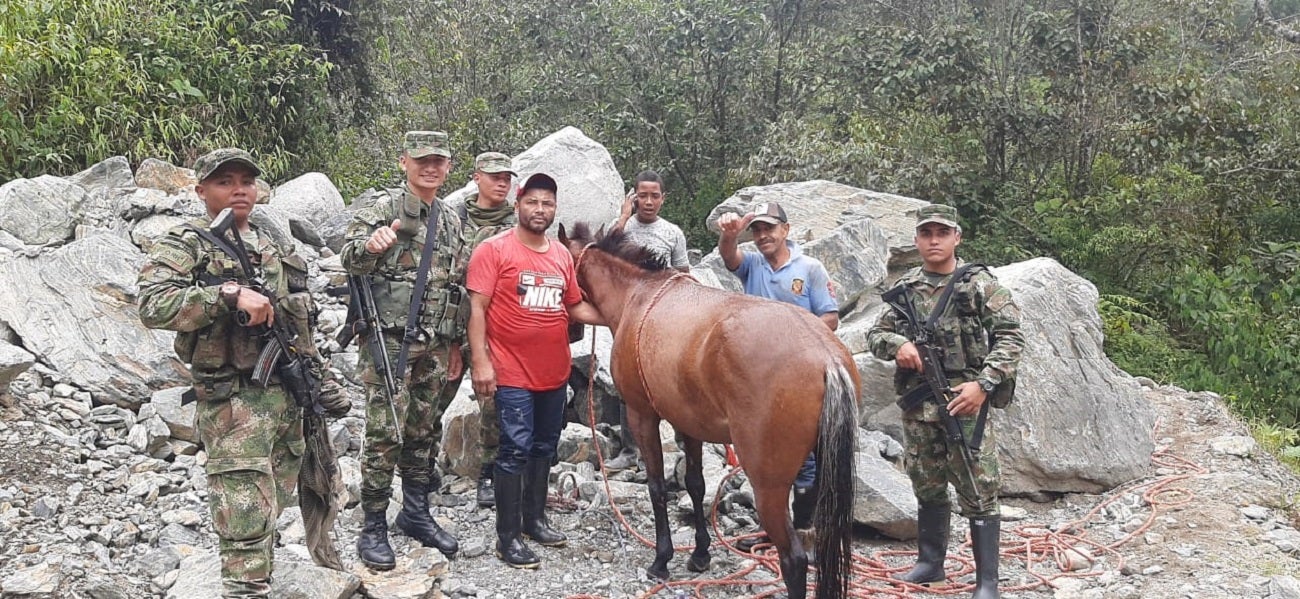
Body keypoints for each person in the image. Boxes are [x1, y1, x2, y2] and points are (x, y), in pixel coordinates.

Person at [138, 149, 346, 596]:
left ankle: (262, 580)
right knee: (243, 516)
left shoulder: (272, 244)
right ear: (201, 191)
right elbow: (153, 305)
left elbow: (297, 321)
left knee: (274, 504)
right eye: (224, 182)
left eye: (246, 182)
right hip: (234, 403)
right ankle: (245, 589)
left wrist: (320, 377)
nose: (238, 190)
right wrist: (228, 295)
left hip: (285, 396)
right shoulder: (186, 242)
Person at [865, 204, 1025, 599]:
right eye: (926, 233)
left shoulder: (979, 284)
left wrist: (983, 385)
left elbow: (1011, 337)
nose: (933, 240)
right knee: (926, 481)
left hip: (964, 401)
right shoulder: (905, 288)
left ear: (957, 237)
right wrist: (899, 344)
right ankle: (930, 564)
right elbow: (874, 334)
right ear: (917, 240)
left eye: (941, 232)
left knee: (978, 483)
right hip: (920, 405)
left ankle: (987, 582)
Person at [340, 131, 468, 569]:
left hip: (435, 342)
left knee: (423, 429)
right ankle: (373, 524)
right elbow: (350, 260)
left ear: (448, 167)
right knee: (384, 433)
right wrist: (370, 247)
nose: (430, 168)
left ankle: (415, 512)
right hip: (389, 341)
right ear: (404, 163)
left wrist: (456, 345)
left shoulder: (450, 220)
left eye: (438, 161)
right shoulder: (384, 209)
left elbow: (456, 285)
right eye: (421, 160)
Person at [466, 172, 605, 569]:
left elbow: (574, 306)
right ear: (518, 205)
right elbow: (476, 309)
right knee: (514, 449)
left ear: (555, 209)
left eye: (547, 203)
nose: (539, 210)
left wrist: (618, 318)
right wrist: (481, 362)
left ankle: (535, 519)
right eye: (533, 202)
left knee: (544, 446)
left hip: (554, 372)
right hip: (510, 372)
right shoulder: (493, 251)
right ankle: (506, 538)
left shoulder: (561, 255)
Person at [716, 201, 838, 537]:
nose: (762, 235)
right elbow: (729, 258)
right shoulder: (753, 263)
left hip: (797, 375)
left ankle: (804, 528)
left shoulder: (810, 268)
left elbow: (830, 317)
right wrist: (730, 234)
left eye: (769, 228)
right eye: (756, 230)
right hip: (756, 375)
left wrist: (794, 336)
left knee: (803, 452)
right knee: (762, 451)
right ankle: (773, 527)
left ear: (785, 229)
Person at [604, 170, 690, 472]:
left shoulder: (673, 233)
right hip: (628, 320)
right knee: (627, 385)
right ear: (634, 197)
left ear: (663, 199)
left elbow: (684, 275)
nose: (649, 201)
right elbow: (605, 256)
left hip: (663, 321)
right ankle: (630, 451)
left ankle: (685, 448)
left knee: (676, 381)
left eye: (655, 196)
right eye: (643, 195)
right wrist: (623, 217)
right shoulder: (623, 229)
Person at [453, 151, 519, 509]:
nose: (502, 183)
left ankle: (489, 474)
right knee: (430, 405)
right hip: (448, 328)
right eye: (494, 176)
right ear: (476, 177)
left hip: (494, 331)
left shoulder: (516, 225)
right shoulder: (452, 219)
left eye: (507, 177)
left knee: (493, 406)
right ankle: (420, 473)